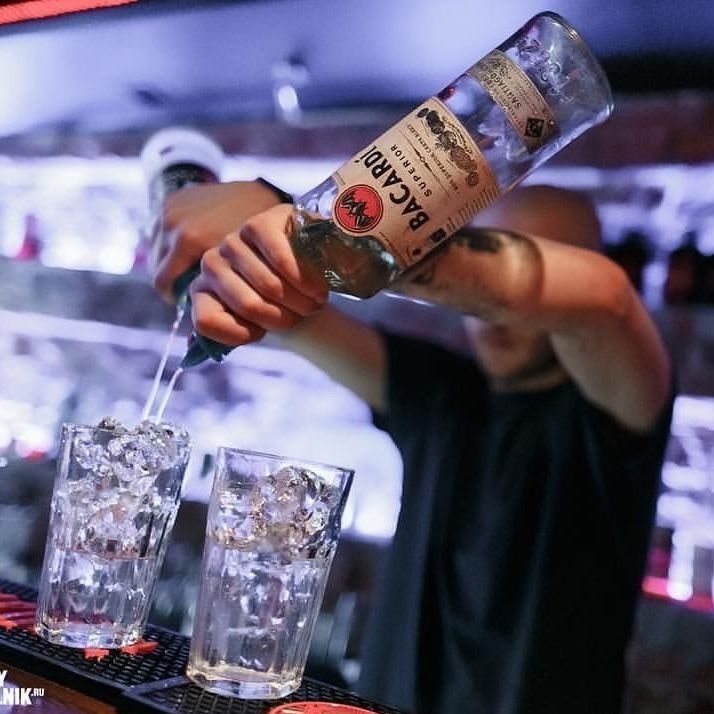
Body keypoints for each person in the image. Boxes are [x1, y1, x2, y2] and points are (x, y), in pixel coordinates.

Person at [152, 179, 674, 714]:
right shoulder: (444, 393)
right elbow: (286, 314)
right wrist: (220, 256)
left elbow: (603, 301)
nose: (492, 312)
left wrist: (306, 230)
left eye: (504, 282)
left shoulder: (617, 411)